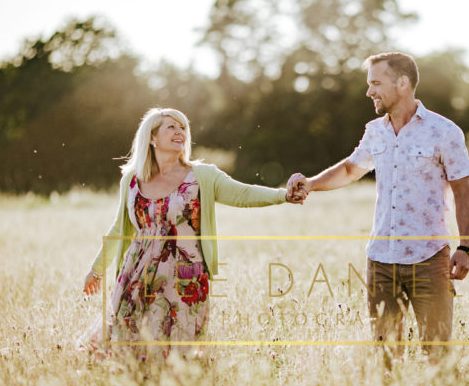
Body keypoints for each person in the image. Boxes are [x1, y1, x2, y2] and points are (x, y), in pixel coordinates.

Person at [287, 52, 469, 355]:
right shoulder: (375, 131)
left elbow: (463, 191)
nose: (369, 92)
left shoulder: (445, 132)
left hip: (428, 259)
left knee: (437, 352)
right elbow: (350, 169)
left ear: (402, 83)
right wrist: (310, 184)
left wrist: (464, 247)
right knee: (386, 355)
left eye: (375, 83)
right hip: (381, 262)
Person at [79, 108, 304, 358]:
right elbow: (119, 228)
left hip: (185, 274)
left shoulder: (202, 176)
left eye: (183, 127)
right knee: (127, 341)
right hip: (136, 272)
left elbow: (242, 194)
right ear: (152, 137)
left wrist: (283, 195)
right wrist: (96, 270)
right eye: (171, 127)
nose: (180, 132)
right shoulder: (132, 179)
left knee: (176, 345)